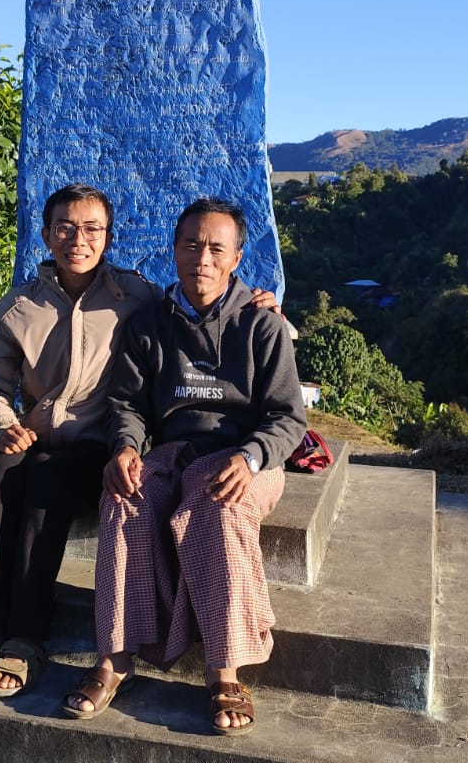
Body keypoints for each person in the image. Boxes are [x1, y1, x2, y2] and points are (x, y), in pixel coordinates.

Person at [0, 185, 281, 698]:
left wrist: (262, 305)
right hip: (42, 436)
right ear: (45, 234)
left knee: (49, 489)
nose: (78, 239)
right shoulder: (23, 307)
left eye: (92, 229)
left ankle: (31, 639)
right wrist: (0, 425)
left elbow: (278, 404)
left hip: (108, 443)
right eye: (65, 227)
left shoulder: (136, 297)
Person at [63, 197, 306, 734]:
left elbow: (289, 418)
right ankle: (115, 656)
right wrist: (125, 448)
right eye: (191, 244)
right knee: (123, 501)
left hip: (245, 456)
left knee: (219, 510)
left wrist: (250, 457)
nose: (203, 257)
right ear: (173, 251)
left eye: (217, 247)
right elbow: (126, 403)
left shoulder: (261, 326)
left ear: (237, 258)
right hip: (171, 452)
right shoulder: (149, 324)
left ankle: (224, 669)